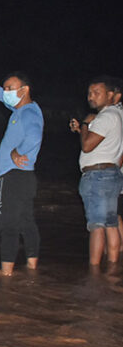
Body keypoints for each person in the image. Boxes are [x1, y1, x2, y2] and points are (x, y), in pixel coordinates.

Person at [0, 72, 43, 276]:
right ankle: (32, 267)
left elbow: (34, 137)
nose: (6, 92)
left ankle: (6, 273)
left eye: (10, 88)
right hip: (24, 177)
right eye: (5, 88)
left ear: (25, 90)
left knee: (7, 225)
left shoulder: (28, 113)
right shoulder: (21, 110)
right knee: (26, 222)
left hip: (12, 176)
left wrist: (17, 152)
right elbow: (0, 96)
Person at [69, 76, 123, 267]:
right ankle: (113, 268)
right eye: (90, 93)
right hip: (112, 174)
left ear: (110, 94)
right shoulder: (117, 115)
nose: (91, 97)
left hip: (97, 177)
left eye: (97, 93)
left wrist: (85, 124)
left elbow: (87, 145)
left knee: (96, 226)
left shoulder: (106, 116)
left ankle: (94, 272)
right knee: (111, 224)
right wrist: (84, 129)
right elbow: (102, 143)